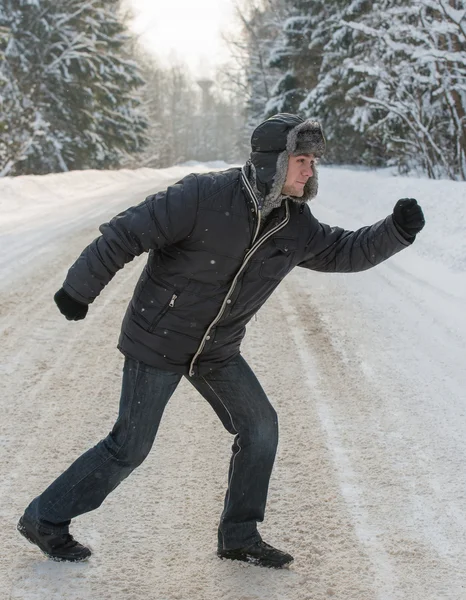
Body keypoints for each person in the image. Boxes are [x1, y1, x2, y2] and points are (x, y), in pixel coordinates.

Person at [18, 113, 425, 569]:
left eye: (313, 161)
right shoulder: (202, 197)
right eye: (302, 160)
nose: (310, 171)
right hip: (159, 338)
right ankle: (45, 519)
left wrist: (395, 231)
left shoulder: (294, 223)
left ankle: (240, 536)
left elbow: (343, 250)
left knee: (260, 427)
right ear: (274, 162)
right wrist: (79, 288)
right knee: (129, 446)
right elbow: (126, 232)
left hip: (216, 349)